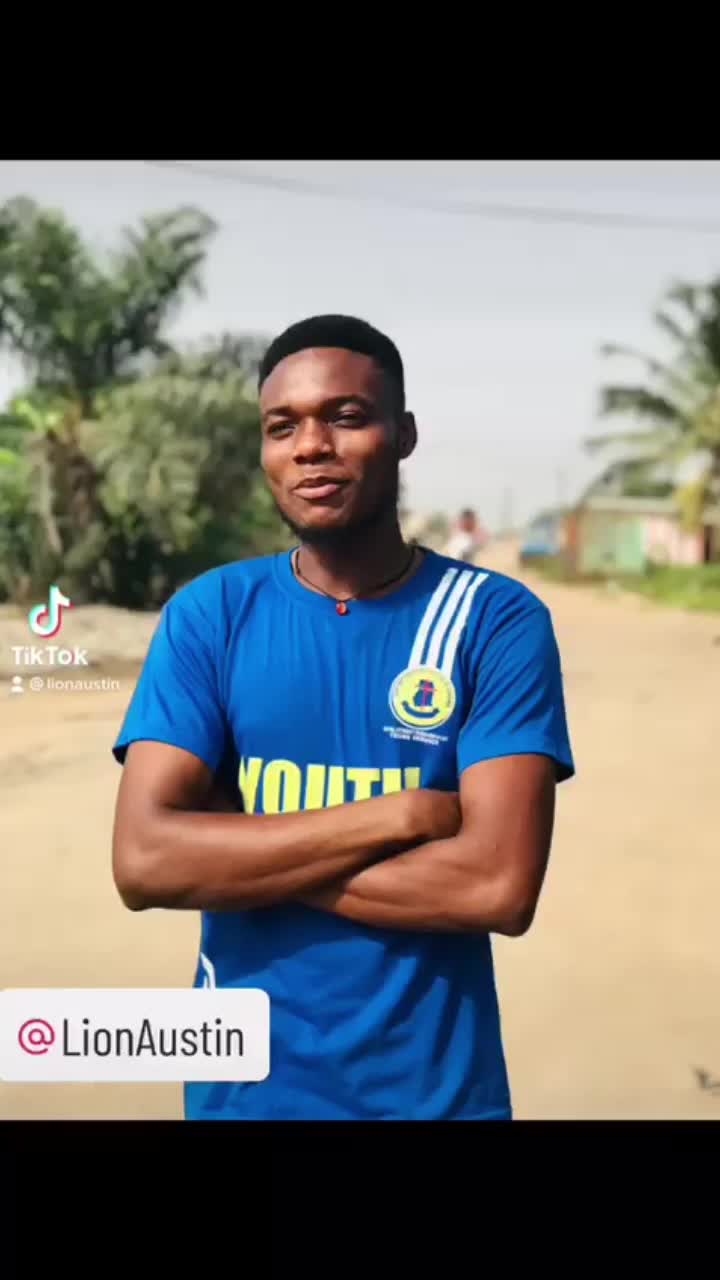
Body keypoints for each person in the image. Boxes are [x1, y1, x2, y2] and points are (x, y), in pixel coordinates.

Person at [111, 313, 574, 1121]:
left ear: (404, 435)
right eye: (282, 426)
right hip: (243, 1099)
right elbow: (146, 863)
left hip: (434, 1100)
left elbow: (497, 886)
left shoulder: (494, 620)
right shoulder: (213, 614)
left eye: (346, 417)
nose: (311, 447)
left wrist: (235, 847)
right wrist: (399, 816)